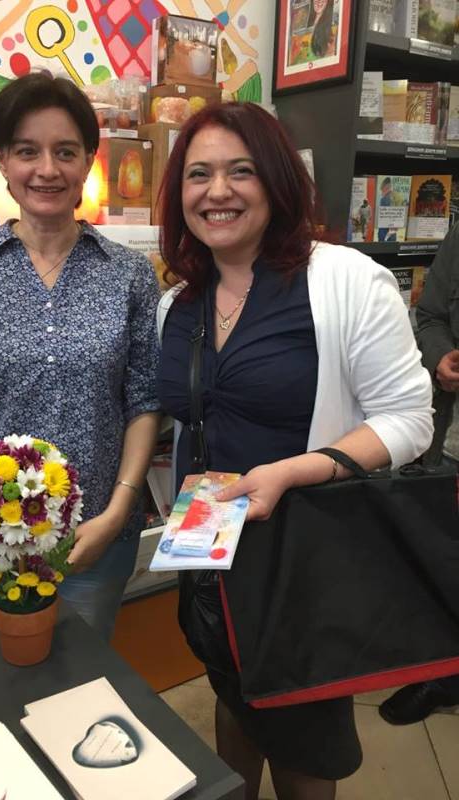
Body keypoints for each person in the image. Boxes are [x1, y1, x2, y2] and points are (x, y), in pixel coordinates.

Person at [156, 102, 433, 800]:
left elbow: (409, 419)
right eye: (198, 174)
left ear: (277, 180)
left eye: (240, 171)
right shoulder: (179, 303)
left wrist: (292, 472)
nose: (217, 191)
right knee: (233, 692)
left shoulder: (345, 280)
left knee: (305, 738)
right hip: (209, 554)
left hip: (302, 561)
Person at [0, 73, 161, 642]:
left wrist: (118, 511)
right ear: (3, 160)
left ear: (88, 162)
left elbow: (145, 400)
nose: (47, 169)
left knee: (84, 672)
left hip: (95, 538)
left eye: (65, 152)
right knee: (2, 673)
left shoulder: (128, 274)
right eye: (28, 151)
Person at [379, 221, 459, 725]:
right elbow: (429, 315)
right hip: (453, 445)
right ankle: (445, 676)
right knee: (446, 560)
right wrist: (441, 356)